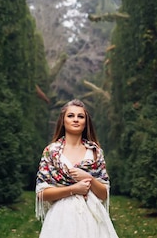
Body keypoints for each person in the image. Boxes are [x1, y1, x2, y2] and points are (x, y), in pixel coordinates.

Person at [35, 99, 119, 238]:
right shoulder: (51, 152)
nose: (75, 120)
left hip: (92, 218)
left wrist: (89, 178)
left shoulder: (95, 152)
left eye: (80, 116)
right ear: (63, 120)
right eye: (70, 116)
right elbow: (42, 193)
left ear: (86, 122)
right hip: (61, 219)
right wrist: (74, 189)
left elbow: (104, 194)